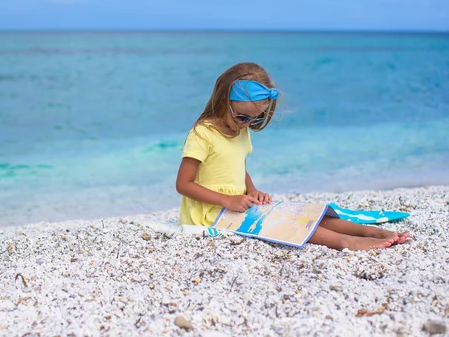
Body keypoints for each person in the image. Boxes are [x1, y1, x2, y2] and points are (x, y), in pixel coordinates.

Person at [175, 62, 409, 251]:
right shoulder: (203, 133)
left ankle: (365, 231)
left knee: (302, 215)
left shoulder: (240, 131)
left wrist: (252, 190)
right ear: (222, 101)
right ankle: (348, 242)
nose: (247, 124)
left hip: (236, 205)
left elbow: (237, 167)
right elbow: (183, 184)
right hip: (208, 213)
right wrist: (228, 200)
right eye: (242, 117)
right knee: (283, 223)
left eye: (255, 119)